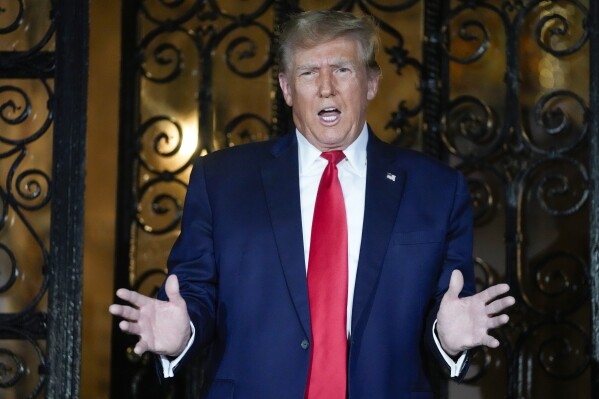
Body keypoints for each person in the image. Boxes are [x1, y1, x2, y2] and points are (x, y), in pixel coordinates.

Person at [110, 10, 514, 399]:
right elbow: (194, 292)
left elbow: (447, 306)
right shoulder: (221, 180)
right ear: (286, 89)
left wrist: (448, 338)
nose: (326, 87)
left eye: (342, 69)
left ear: (371, 82)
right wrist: (184, 332)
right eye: (308, 72)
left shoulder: (436, 189)